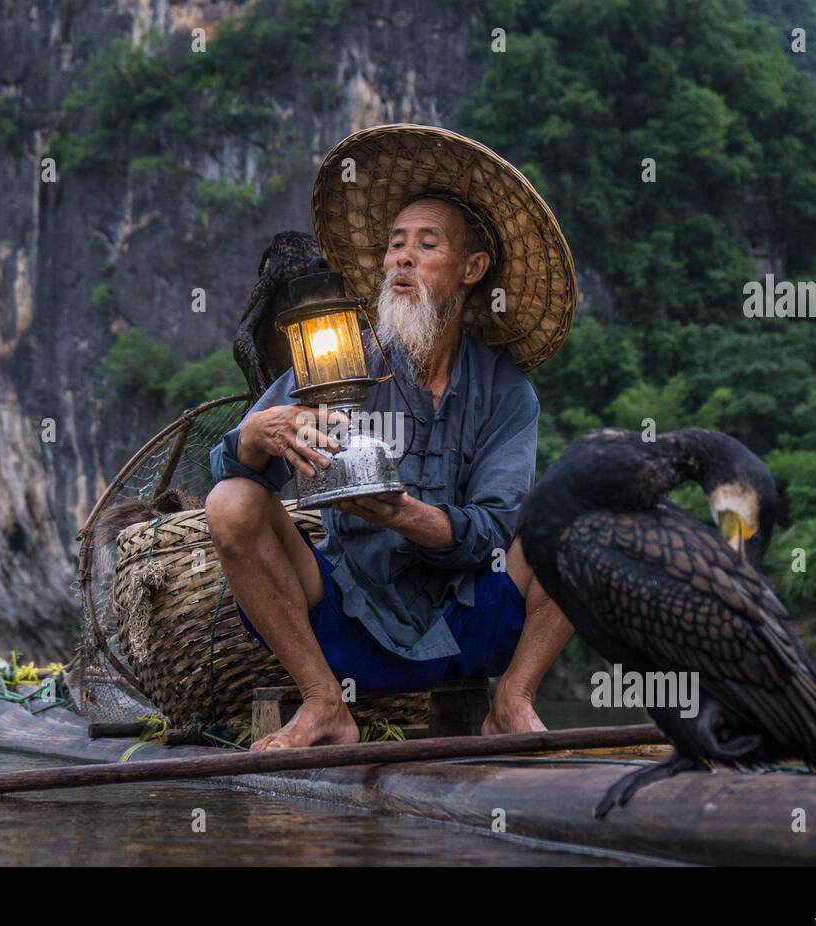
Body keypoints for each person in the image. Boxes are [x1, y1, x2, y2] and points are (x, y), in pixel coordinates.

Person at [207, 124, 579, 750]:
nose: (400, 257)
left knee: (578, 517)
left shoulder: (506, 392)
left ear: (471, 269)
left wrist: (403, 514)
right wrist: (256, 433)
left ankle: (512, 701)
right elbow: (234, 471)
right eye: (394, 245)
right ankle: (326, 705)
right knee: (231, 502)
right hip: (350, 620)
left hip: (471, 622)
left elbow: (492, 532)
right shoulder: (338, 357)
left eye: (426, 245)